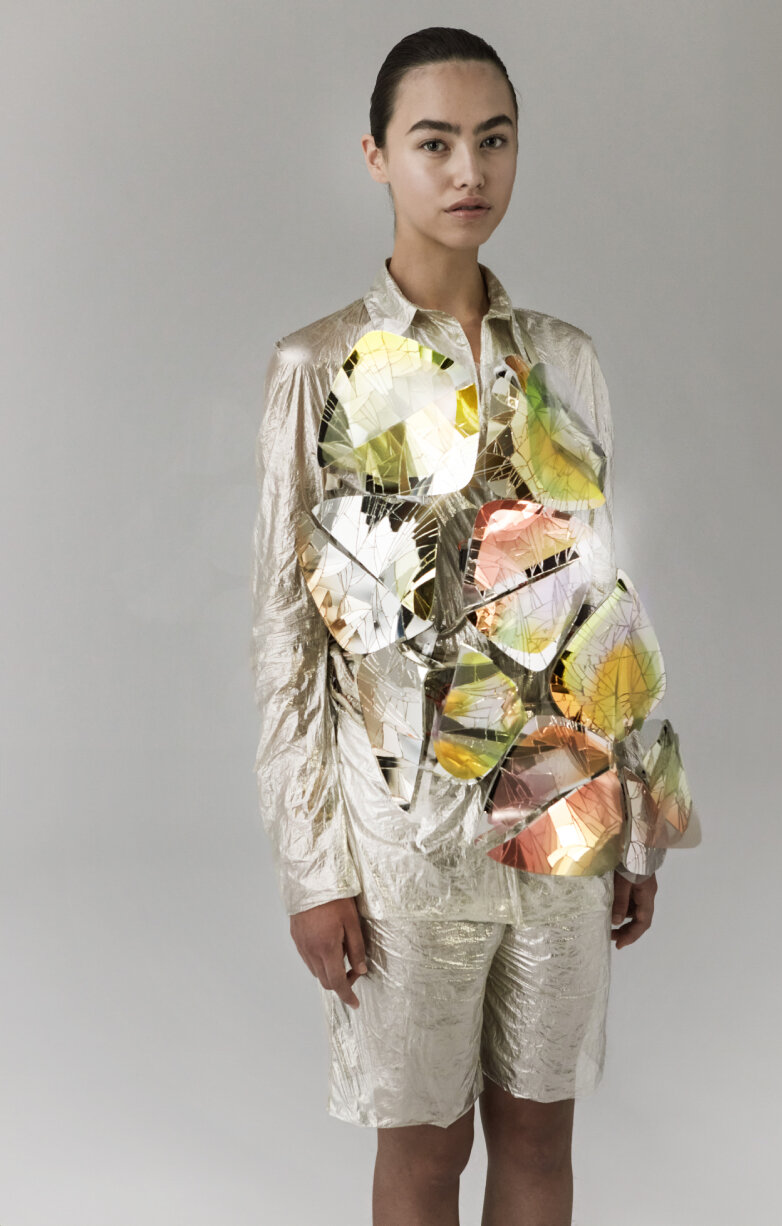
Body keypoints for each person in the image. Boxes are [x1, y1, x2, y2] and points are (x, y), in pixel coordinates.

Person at [251, 26, 665, 1226]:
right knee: (424, 1145)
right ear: (375, 155)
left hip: (560, 805)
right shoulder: (321, 363)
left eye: (493, 139)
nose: (467, 170)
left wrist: (635, 814)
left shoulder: (565, 362)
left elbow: (597, 600)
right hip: (400, 835)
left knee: (538, 1132)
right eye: (433, 142)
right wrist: (312, 869)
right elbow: (288, 634)